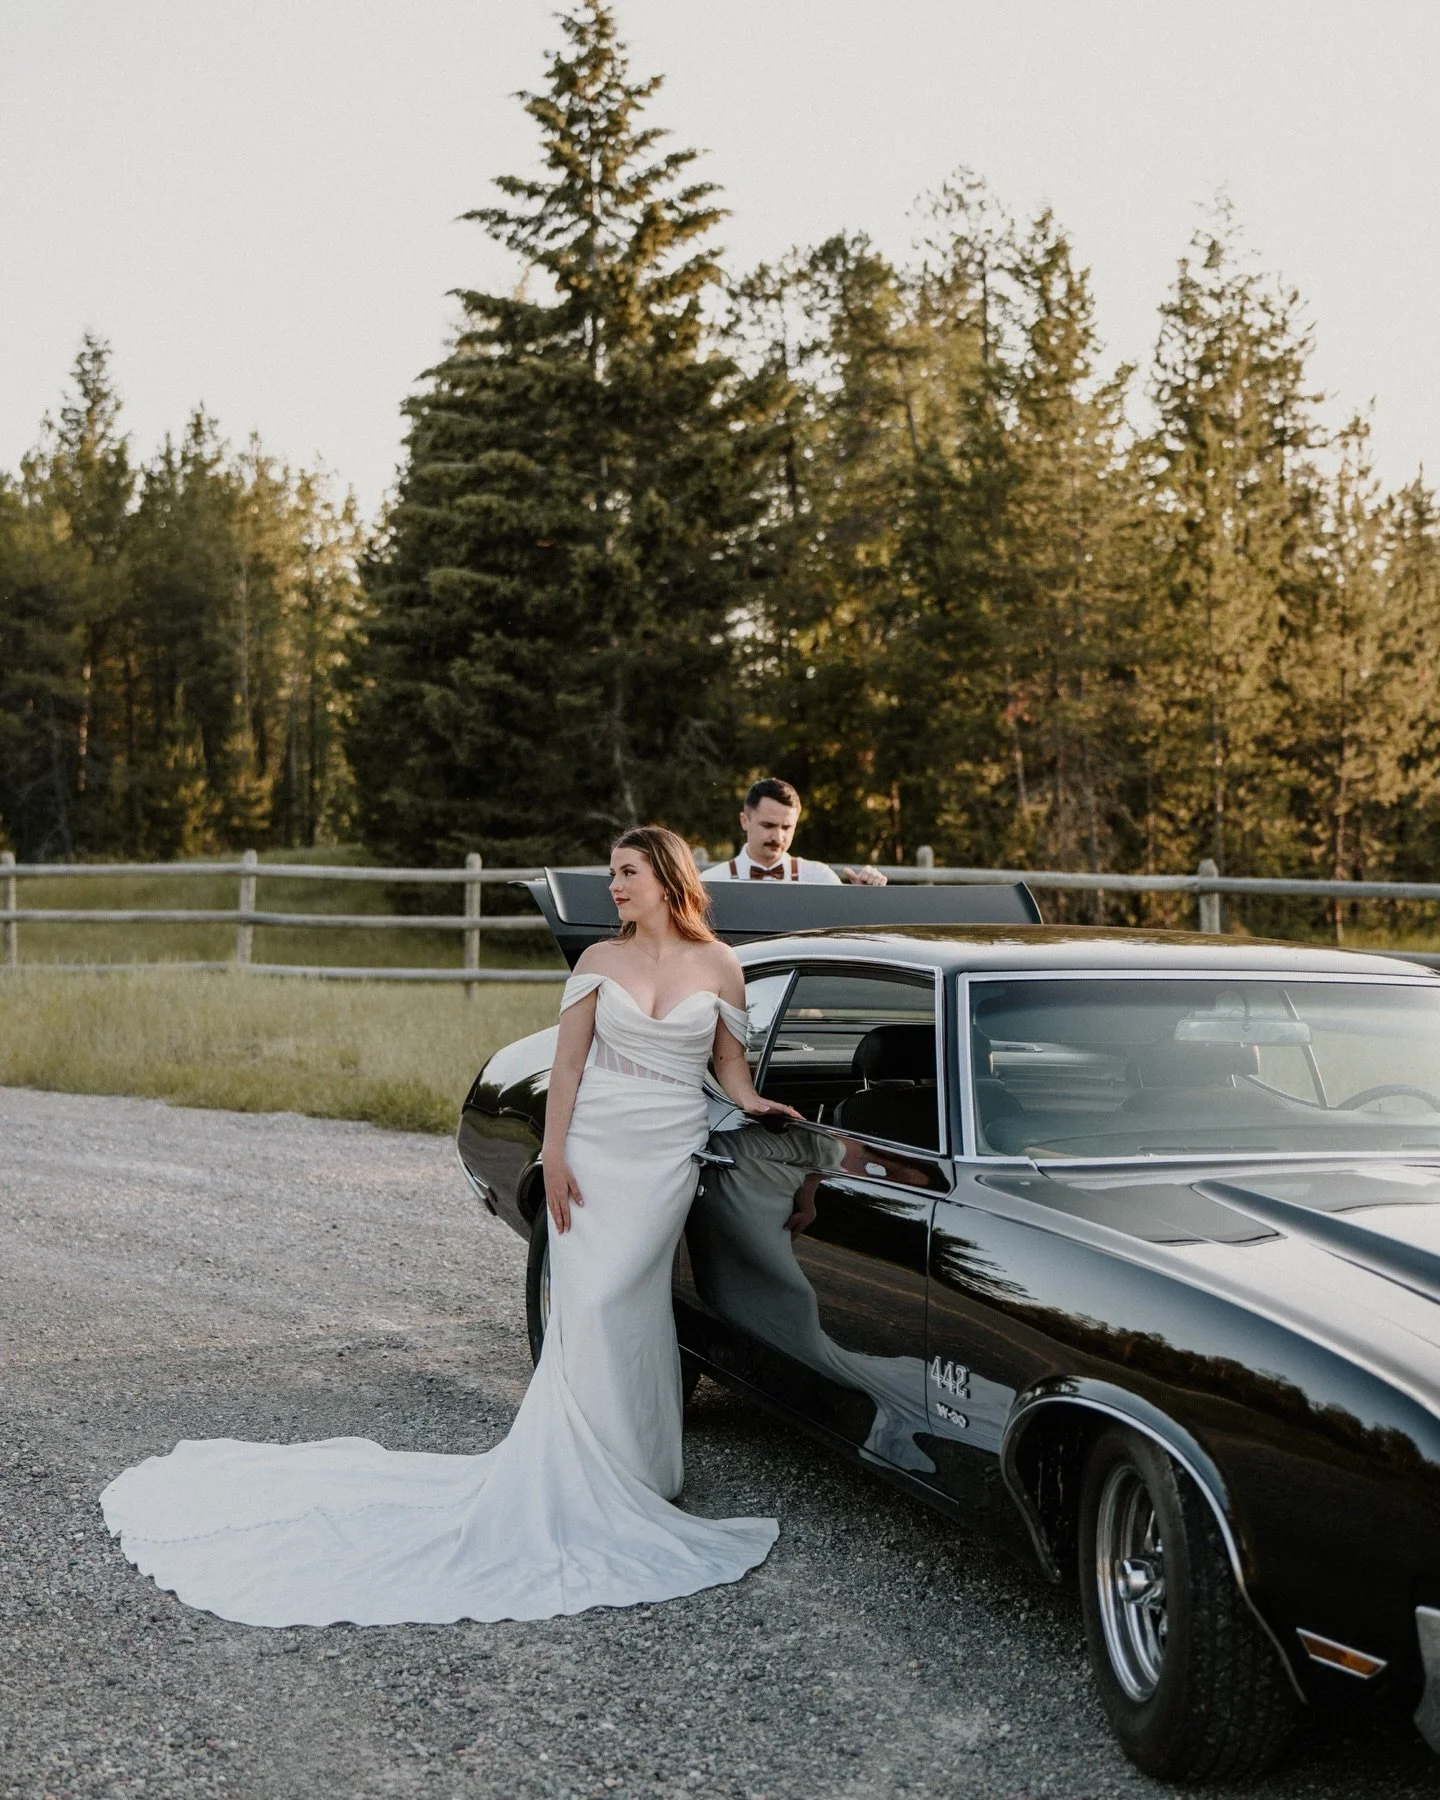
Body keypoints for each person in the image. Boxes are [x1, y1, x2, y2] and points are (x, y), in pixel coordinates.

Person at [100, 826, 800, 1628]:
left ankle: (641, 1471)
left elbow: (731, 1071)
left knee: (629, 1298)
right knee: (592, 1299)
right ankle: (585, 1470)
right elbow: (567, 1069)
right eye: (612, 874)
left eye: (627, 873)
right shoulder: (597, 964)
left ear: (668, 877)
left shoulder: (722, 966)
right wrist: (555, 1155)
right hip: (598, 1147)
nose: (614, 887)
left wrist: (757, 1108)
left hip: (668, 1150)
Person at [701, 777, 887, 886]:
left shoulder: (819, 878)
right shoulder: (711, 882)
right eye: (768, 825)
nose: (778, 837)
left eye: (786, 827)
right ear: (744, 821)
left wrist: (864, 898)